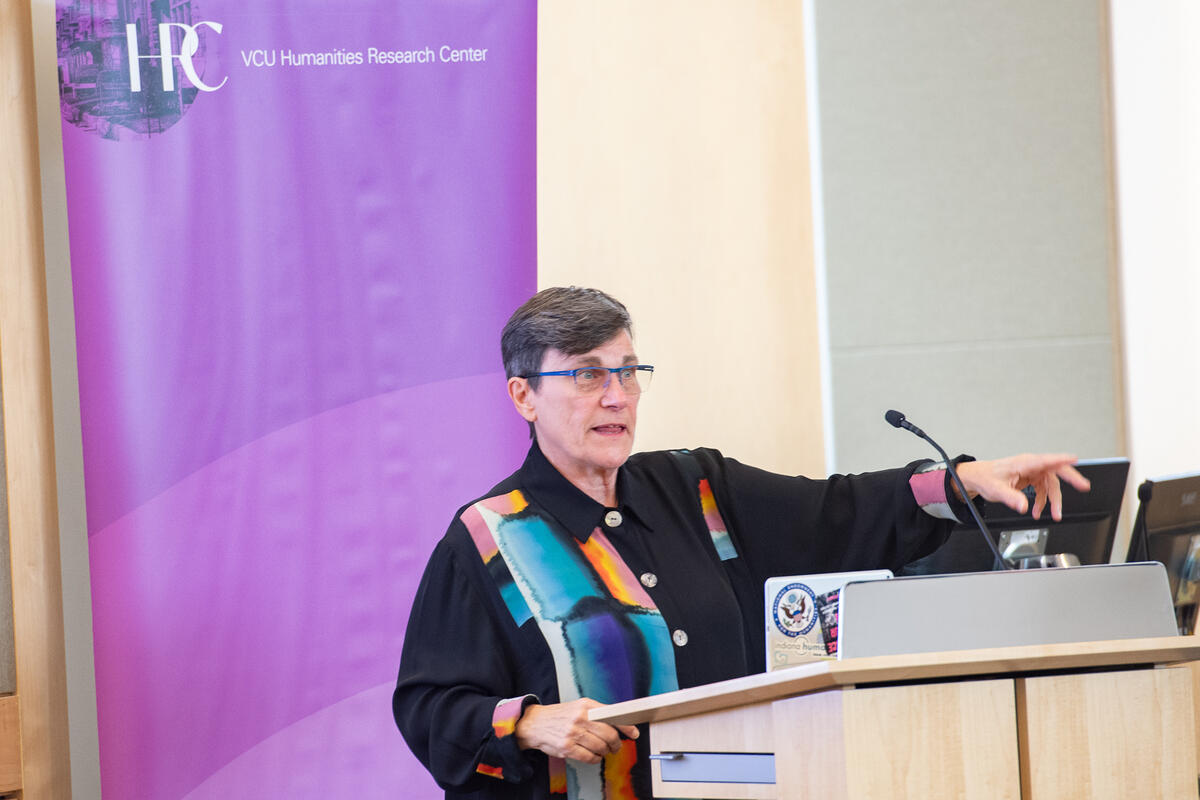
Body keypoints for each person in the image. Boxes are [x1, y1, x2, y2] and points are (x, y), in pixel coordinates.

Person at [393, 286, 1089, 800]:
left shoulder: (697, 488)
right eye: (586, 373)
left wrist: (959, 481)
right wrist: (529, 723)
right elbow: (428, 708)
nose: (618, 395)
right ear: (523, 396)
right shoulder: (490, 539)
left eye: (630, 370)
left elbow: (837, 512)